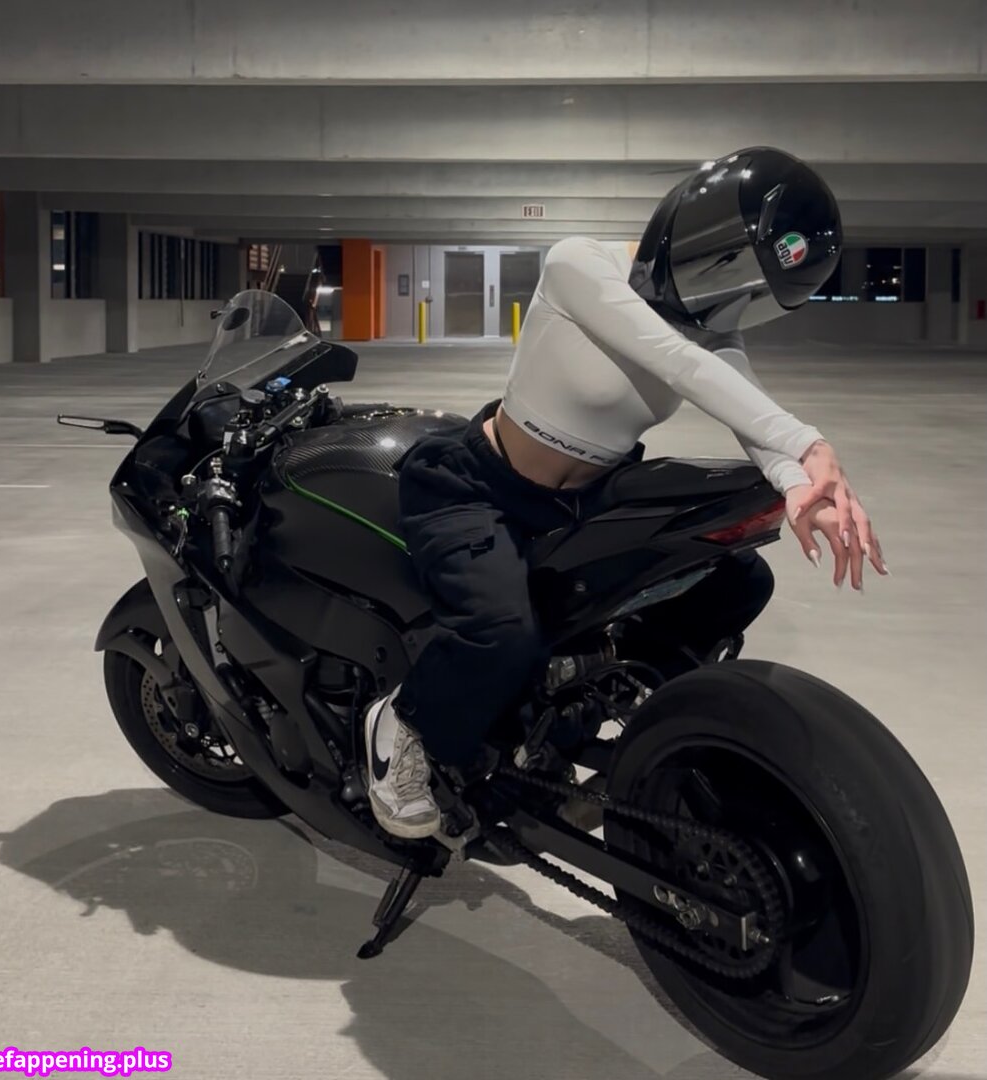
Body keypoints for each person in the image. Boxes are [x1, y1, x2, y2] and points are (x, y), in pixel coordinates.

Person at [364, 146, 889, 839]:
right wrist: (811, 444)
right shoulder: (580, 264)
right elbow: (679, 363)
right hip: (481, 485)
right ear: (688, 227)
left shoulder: (711, 326)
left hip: (584, 502)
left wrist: (800, 483)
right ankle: (404, 724)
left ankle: (619, 723)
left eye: (747, 295)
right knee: (501, 634)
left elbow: (744, 408)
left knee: (737, 581)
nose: (722, 302)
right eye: (724, 272)